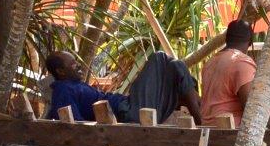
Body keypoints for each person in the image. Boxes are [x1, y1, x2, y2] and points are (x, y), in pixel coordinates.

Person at [44, 50, 201, 124]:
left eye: (77, 62)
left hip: (132, 110)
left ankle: (199, 114)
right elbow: (74, 125)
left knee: (175, 68)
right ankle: (200, 117)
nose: (79, 66)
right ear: (61, 71)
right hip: (129, 113)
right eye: (73, 64)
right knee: (159, 58)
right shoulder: (63, 89)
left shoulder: (73, 85)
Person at [200, 20, 258, 125]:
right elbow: (251, 108)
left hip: (207, 129)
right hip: (230, 131)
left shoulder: (209, 63)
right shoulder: (242, 62)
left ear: (226, 39)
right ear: (250, 42)